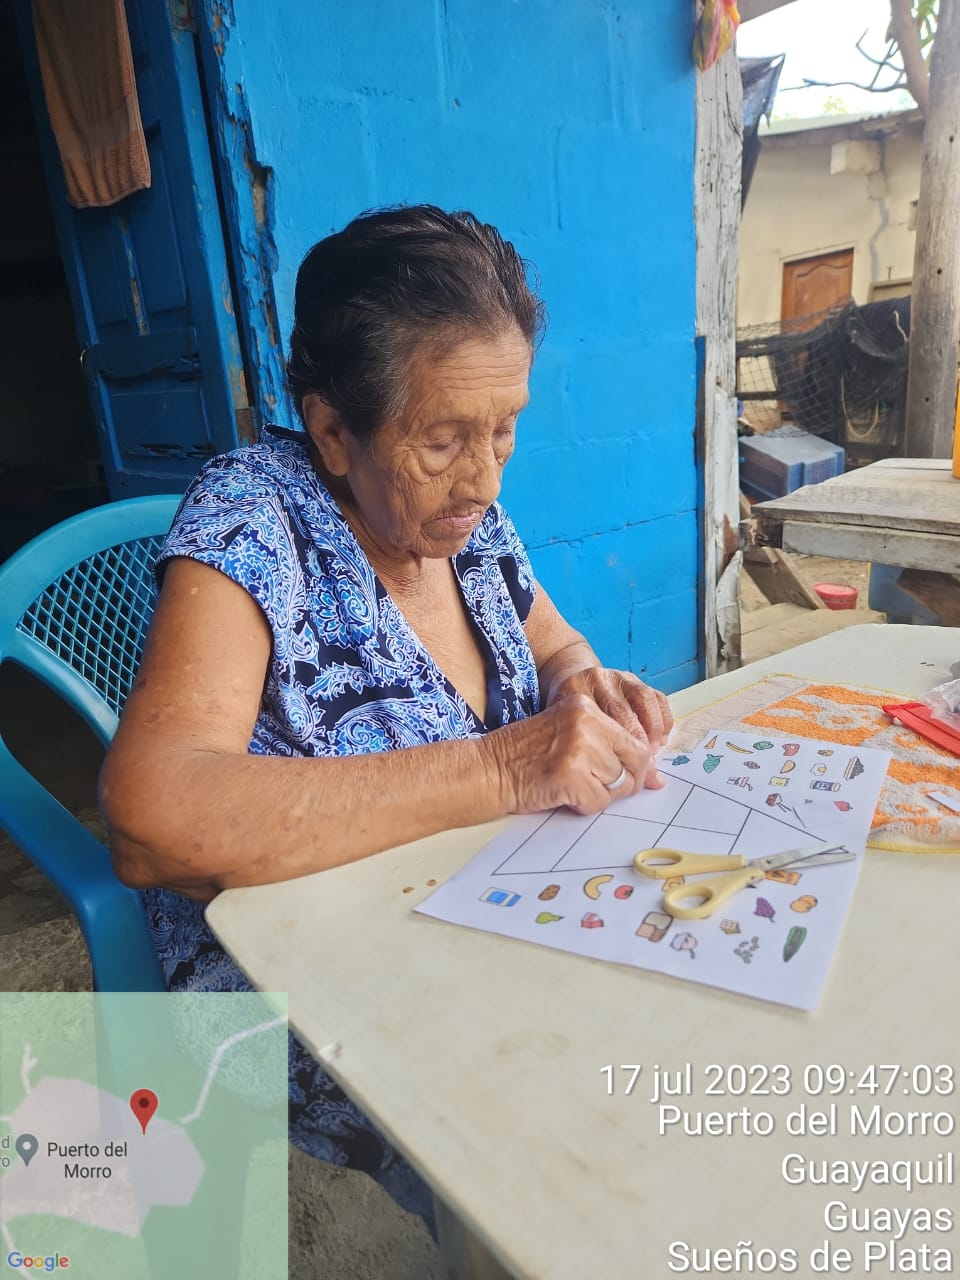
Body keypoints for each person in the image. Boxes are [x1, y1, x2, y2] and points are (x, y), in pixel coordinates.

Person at [99, 204, 673, 1231]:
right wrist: (506, 768)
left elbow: (556, 645)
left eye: (505, 428)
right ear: (332, 430)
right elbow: (152, 816)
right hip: (298, 964)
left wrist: (586, 686)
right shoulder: (252, 518)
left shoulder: (466, 520)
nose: (486, 478)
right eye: (443, 437)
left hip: (490, 905)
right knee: (558, 1141)